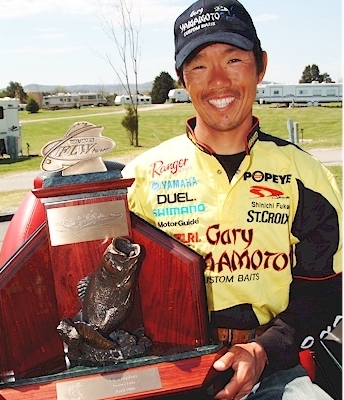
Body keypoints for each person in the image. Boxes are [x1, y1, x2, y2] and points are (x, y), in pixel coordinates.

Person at [122, 0, 342, 399]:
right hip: (167, 369)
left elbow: (325, 290)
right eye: (199, 65)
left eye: (234, 59)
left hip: (272, 368)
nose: (219, 81)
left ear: (261, 66)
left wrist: (262, 350)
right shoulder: (137, 180)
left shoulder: (308, 176)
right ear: (182, 78)